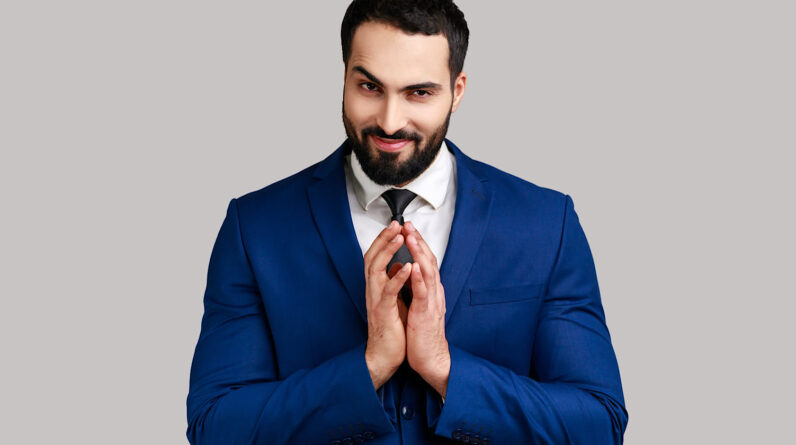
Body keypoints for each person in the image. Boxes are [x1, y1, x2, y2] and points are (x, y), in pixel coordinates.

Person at [186, 0, 628, 443]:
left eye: (419, 92)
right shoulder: (255, 228)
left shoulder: (546, 225)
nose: (390, 122)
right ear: (344, 77)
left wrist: (446, 369)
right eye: (370, 87)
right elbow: (215, 426)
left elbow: (598, 424)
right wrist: (368, 367)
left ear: (457, 90)